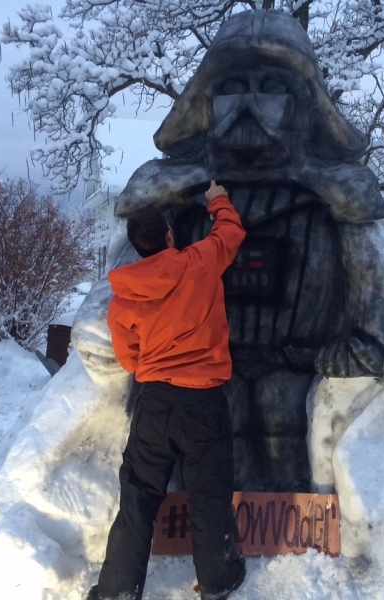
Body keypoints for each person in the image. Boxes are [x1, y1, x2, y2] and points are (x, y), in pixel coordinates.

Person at [89, 181, 247, 600]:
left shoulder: (124, 298)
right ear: (170, 237)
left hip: (155, 405)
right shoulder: (200, 262)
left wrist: (155, 370)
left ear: (137, 249)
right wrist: (217, 199)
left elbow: (129, 359)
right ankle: (218, 580)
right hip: (204, 404)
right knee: (209, 495)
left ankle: (117, 591)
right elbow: (230, 234)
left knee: (138, 499)